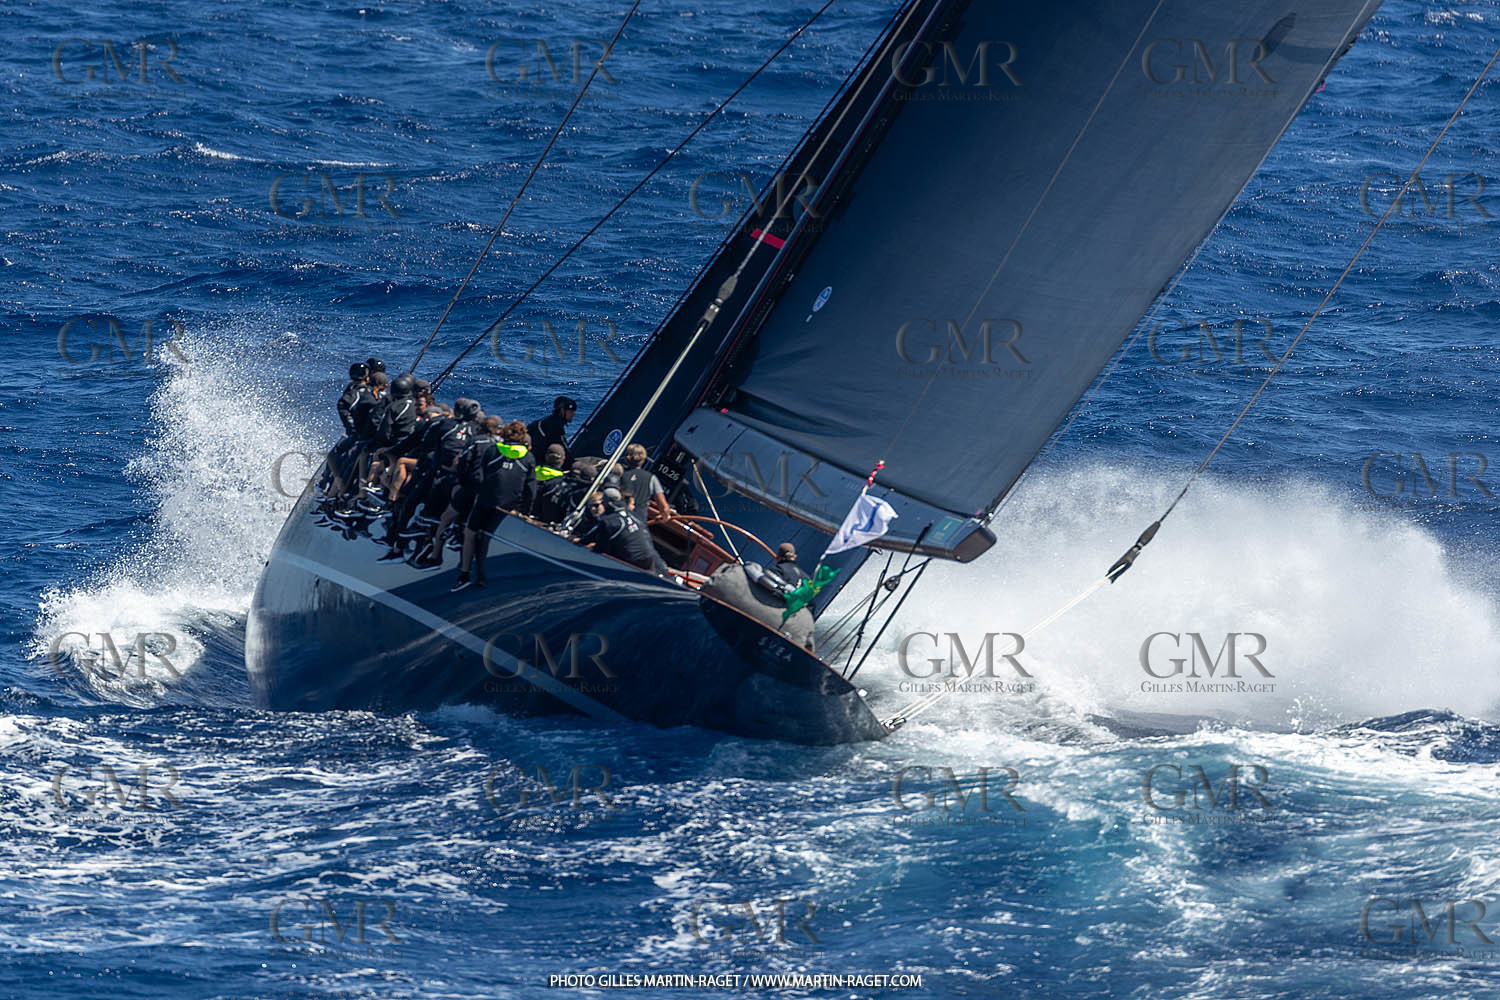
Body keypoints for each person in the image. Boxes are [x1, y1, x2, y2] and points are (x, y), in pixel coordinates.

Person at [453, 420, 535, 592]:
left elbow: (480, 475)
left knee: (470, 533)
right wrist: (524, 512)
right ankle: (483, 574)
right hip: (509, 508)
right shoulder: (528, 458)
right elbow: (530, 489)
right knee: (487, 538)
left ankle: (464, 574)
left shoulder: (492, 451)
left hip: (486, 502)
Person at [575, 490, 666, 575]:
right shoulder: (634, 515)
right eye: (592, 506)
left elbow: (600, 551)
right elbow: (590, 538)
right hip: (649, 560)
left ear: (606, 503)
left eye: (599, 504)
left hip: (632, 564)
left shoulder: (609, 521)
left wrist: (579, 544)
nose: (595, 509)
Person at [619, 443, 672, 523]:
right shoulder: (651, 479)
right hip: (637, 523)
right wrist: (665, 517)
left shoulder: (618, 472)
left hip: (616, 517)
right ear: (643, 460)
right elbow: (664, 508)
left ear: (626, 457)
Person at [526, 396, 576, 467]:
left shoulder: (549, 421)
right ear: (562, 410)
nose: (573, 414)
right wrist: (574, 464)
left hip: (532, 458)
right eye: (571, 411)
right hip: (537, 462)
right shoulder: (555, 425)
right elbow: (562, 447)